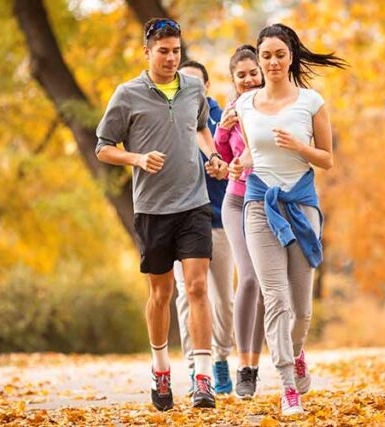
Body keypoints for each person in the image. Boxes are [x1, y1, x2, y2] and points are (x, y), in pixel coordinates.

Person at [95, 17, 228, 411]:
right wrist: (136, 157)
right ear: (147, 52)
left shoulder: (192, 89)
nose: (171, 58)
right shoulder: (127, 94)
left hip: (194, 204)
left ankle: (202, 379)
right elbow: (103, 147)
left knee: (199, 287)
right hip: (152, 209)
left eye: (176, 51)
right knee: (161, 293)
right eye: (164, 51)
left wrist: (215, 157)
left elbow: (202, 130)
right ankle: (160, 368)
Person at [229, 23, 347, 416]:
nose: (273, 62)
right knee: (275, 298)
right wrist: (236, 163)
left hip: (301, 206)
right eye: (266, 56)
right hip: (260, 204)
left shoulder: (311, 102)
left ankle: (296, 354)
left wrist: (300, 146)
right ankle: (286, 385)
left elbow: (328, 159)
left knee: (301, 308)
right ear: (258, 60)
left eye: (280, 54)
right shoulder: (245, 105)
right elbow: (253, 154)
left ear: (291, 55)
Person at [173, 60, 235, 395]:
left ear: (207, 88)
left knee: (224, 299)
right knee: (188, 296)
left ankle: (222, 357)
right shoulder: (171, 116)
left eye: (197, 83)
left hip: (220, 221)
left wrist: (222, 166)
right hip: (181, 220)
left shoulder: (224, 118)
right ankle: (198, 368)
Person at [214, 45, 266, 399]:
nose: (248, 79)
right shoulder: (230, 109)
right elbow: (225, 155)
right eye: (241, 75)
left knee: (267, 284)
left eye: (253, 73)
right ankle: (244, 368)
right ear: (233, 79)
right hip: (236, 200)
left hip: (268, 200)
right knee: (248, 277)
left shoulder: (274, 105)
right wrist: (223, 127)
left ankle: (263, 361)